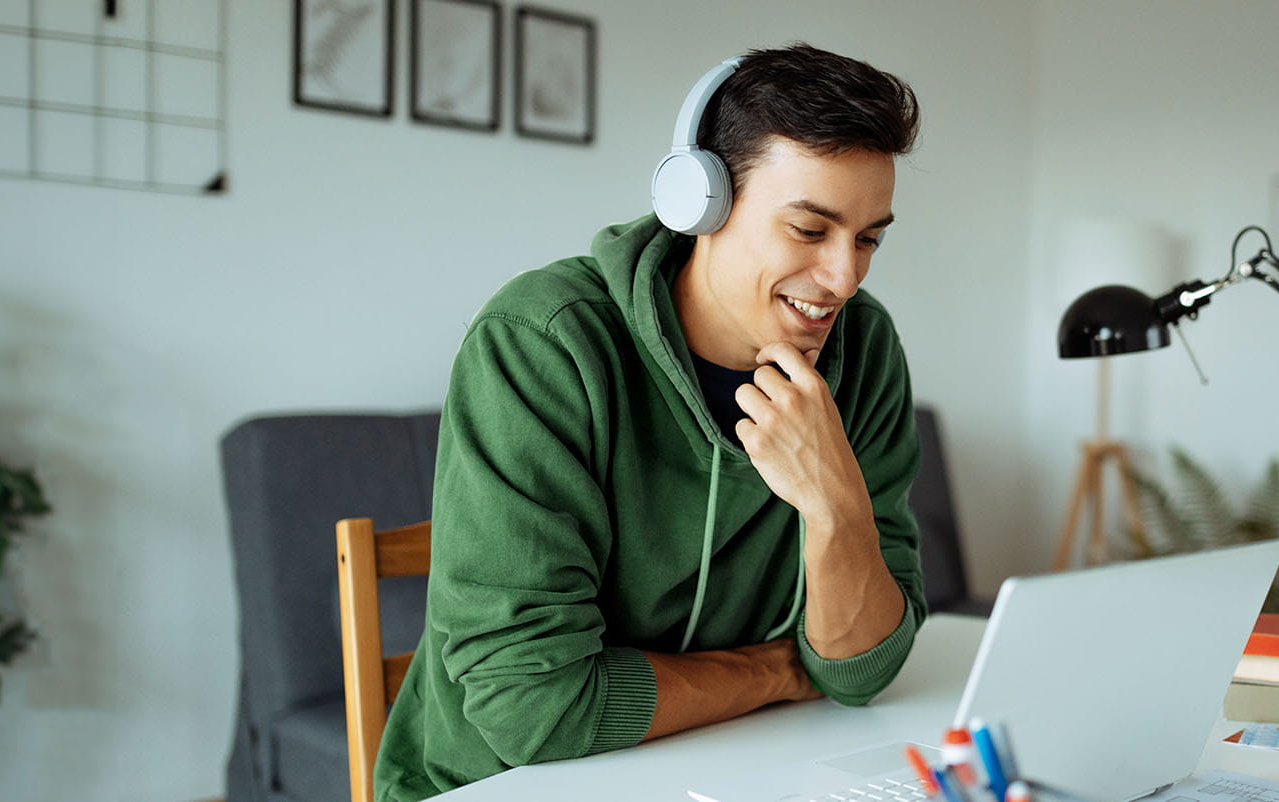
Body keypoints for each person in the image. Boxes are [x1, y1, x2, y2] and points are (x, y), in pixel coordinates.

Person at [374, 43, 926, 801]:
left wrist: (836, 506)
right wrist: (780, 669)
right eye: (809, 230)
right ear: (698, 202)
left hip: (746, 765)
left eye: (868, 238)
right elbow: (533, 711)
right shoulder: (544, 344)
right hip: (508, 784)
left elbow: (863, 670)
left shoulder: (865, 352)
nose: (845, 278)